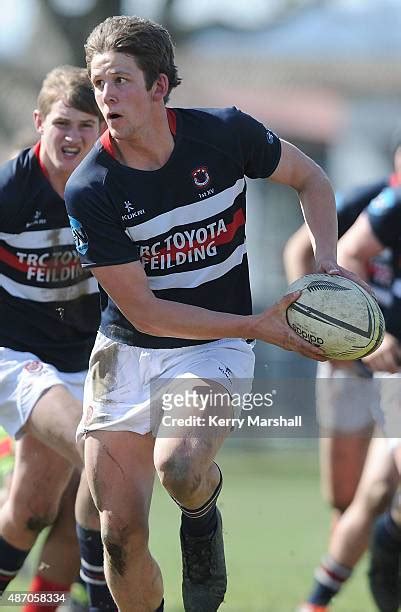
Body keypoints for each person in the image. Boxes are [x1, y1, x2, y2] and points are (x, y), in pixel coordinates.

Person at [64, 15, 364, 612]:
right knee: (118, 535)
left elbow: (312, 179)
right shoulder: (91, 188)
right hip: (129, 350)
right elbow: (146, 314)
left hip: (212, 347)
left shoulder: (225, 134)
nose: (106, 97)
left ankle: (202, 510)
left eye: (121, 81)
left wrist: (327, 262)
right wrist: (259, 325)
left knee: (179, 466)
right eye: (100, 84)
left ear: (160, 87)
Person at [0, 65, 114, 612]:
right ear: (39, 122)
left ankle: (36, 606)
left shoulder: (112, 189)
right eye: (63, 123)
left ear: (102, 131)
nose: (73, 137)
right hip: (16, 357)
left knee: (39, 510)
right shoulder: (10, 190)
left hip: (89, 360)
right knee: (101, 458)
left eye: (86, 125)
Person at [292, 155, 401, 610]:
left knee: (379, 488)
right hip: (359, 358)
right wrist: (332, 331)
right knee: (347, 496)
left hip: (393, 368)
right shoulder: (380, 201)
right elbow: (300, 250)